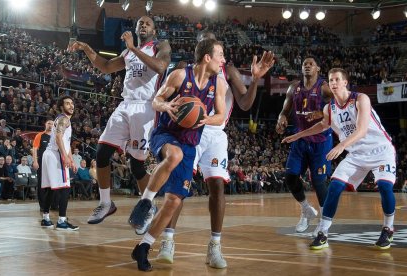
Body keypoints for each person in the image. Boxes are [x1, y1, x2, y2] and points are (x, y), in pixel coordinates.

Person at [156, 30, 275, 268]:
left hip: (214, 133)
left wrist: (255, 80)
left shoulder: (227, 72)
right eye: (204, 43)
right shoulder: (183, 70)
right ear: (202, 51)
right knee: (178, 188)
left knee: (217, 186)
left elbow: (244, 103)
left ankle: (214, 247)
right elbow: (164, 100)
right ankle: (167, 241)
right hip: (187, 131)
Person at [130, 38, 226, 271]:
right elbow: (156, 100)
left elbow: (221, 115)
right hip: (165, 134)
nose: (223, 60)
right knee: (174, 156)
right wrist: (167, 107)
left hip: (190, 143)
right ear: (207, 57)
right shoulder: (180, 75)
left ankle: (144, 246)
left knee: (173, 201)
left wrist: (204, 119)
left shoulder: (219, 84)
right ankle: (145, 203)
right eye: (220, 55)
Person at [68, 16, 171, 226]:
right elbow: (105, 66)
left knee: (137, 166)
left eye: (147, 23)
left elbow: (161, 67)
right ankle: (106, 203)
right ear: (135, 28)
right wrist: (87, 48)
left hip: (146, 107)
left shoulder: (161, 45)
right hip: (125, 104)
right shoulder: (127, 52)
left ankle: (148, 207)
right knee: (102, 152)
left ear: (154, 30)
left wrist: (133, 48)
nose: (142, 25)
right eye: (139, 23)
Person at [282, 68, 396, 250]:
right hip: (357, 154)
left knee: (384, 186)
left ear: (345, 82)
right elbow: (321, 125)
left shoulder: (360, 99)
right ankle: (323, 233)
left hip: (380, 151)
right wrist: (297, 135)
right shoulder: (330, 107)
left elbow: (362, 130)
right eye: (330, 80)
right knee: (334, 186)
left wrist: (341, 145)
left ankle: (388, 228)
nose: (333, 83)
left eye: (336, 80)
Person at [276, 56, 333, 234]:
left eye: (311, 64)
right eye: (304, 64)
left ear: (317, 69)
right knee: (290, 177)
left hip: (321, 141)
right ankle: (306, 210)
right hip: (300, 139)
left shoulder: (324, 87)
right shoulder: (294, 87)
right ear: (302, 69)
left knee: (319, 182)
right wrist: (281, 119)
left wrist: (321, 113)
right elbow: (284, 110)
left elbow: (338, 104)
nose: (307, 66)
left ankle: (324, 223)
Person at [40, 96, 79, 231]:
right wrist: (65, 157)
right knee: (65, 188)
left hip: (50, 154)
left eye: (72, 103)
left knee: (52, 188)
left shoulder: (63, 119)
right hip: (55, 154)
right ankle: (62, 221)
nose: (71, 105)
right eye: (67, 103)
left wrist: (71, 160)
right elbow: (58, 138)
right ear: (62, 107)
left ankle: (46, 219)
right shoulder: (63, 119)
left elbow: (66, 143)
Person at [32, 119, 54, 210]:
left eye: (52, 124)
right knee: (41, 183)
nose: (50, 125)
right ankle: (42, 205)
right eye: (49, 123)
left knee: (53, 184)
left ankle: (53, 204)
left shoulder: (55, 136)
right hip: (42, 163)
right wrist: (35, 161)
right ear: (45, 124)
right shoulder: (40, 135)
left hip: (53, 164)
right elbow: (34, 149)